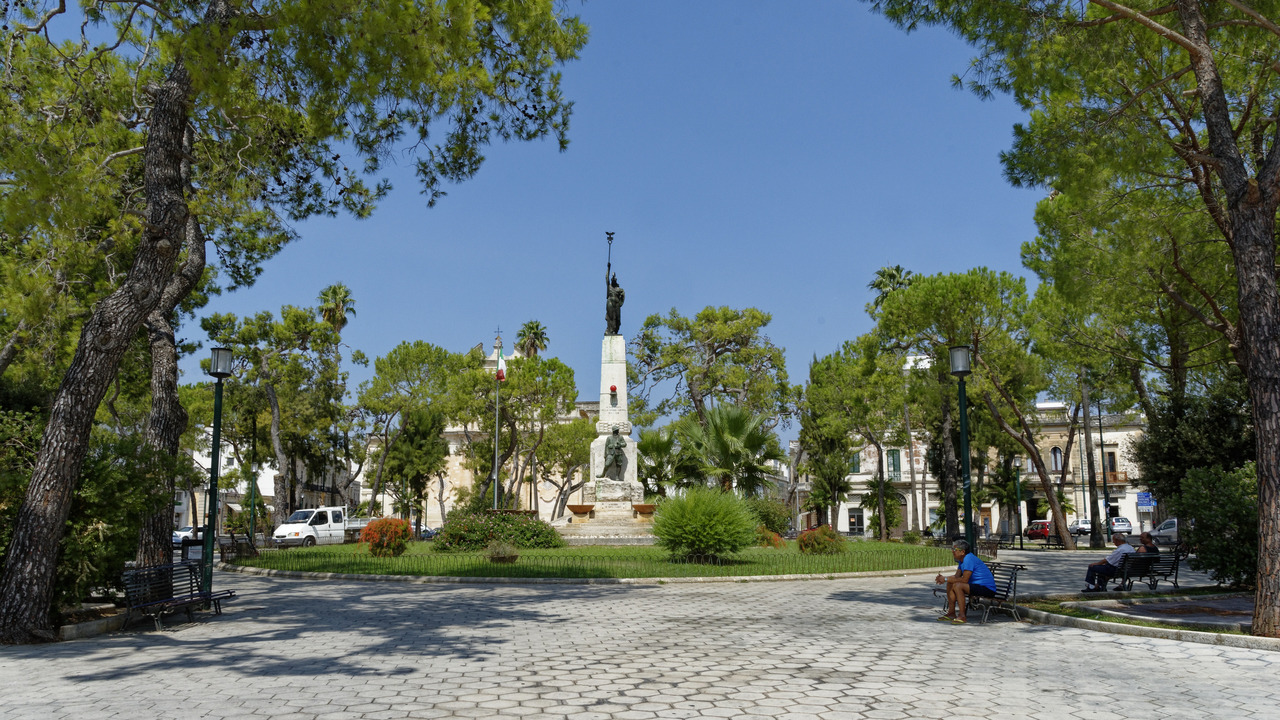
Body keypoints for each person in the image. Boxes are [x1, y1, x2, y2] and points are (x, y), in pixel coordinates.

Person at [935, 540, 997, 624]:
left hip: (986, 589)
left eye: (955, 549)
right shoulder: (962, 560)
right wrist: (944, 578)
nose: (952, 551)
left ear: (962, 552)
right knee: (950, 583)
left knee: (958, 585)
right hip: (976, 586)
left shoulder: (968, 559)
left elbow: (964, 580)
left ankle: (962, 616)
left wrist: (945, 579)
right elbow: (957, 576)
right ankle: (951, 613)